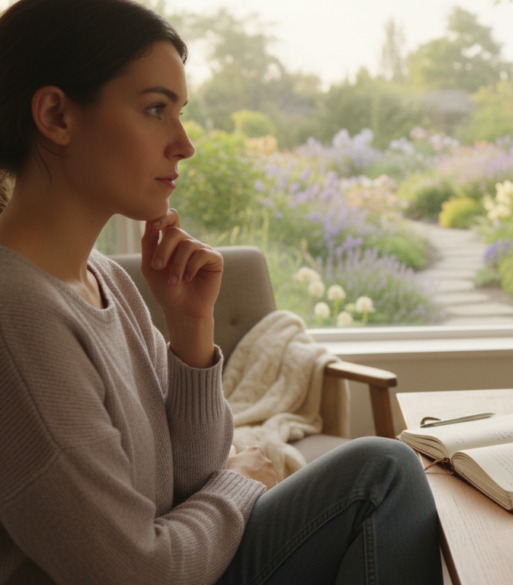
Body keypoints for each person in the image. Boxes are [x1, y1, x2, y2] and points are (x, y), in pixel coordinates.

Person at [0, 1, 442, 584]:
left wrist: (190, 334)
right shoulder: (18, 318)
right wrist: (244, 481)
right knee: (379, 474)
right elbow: (139, 572)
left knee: (384, 471)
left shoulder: (106, 281)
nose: (184, 144)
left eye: (179, 113)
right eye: (156, 109)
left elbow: (195, 475)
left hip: (190, 561)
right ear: (57, 115)